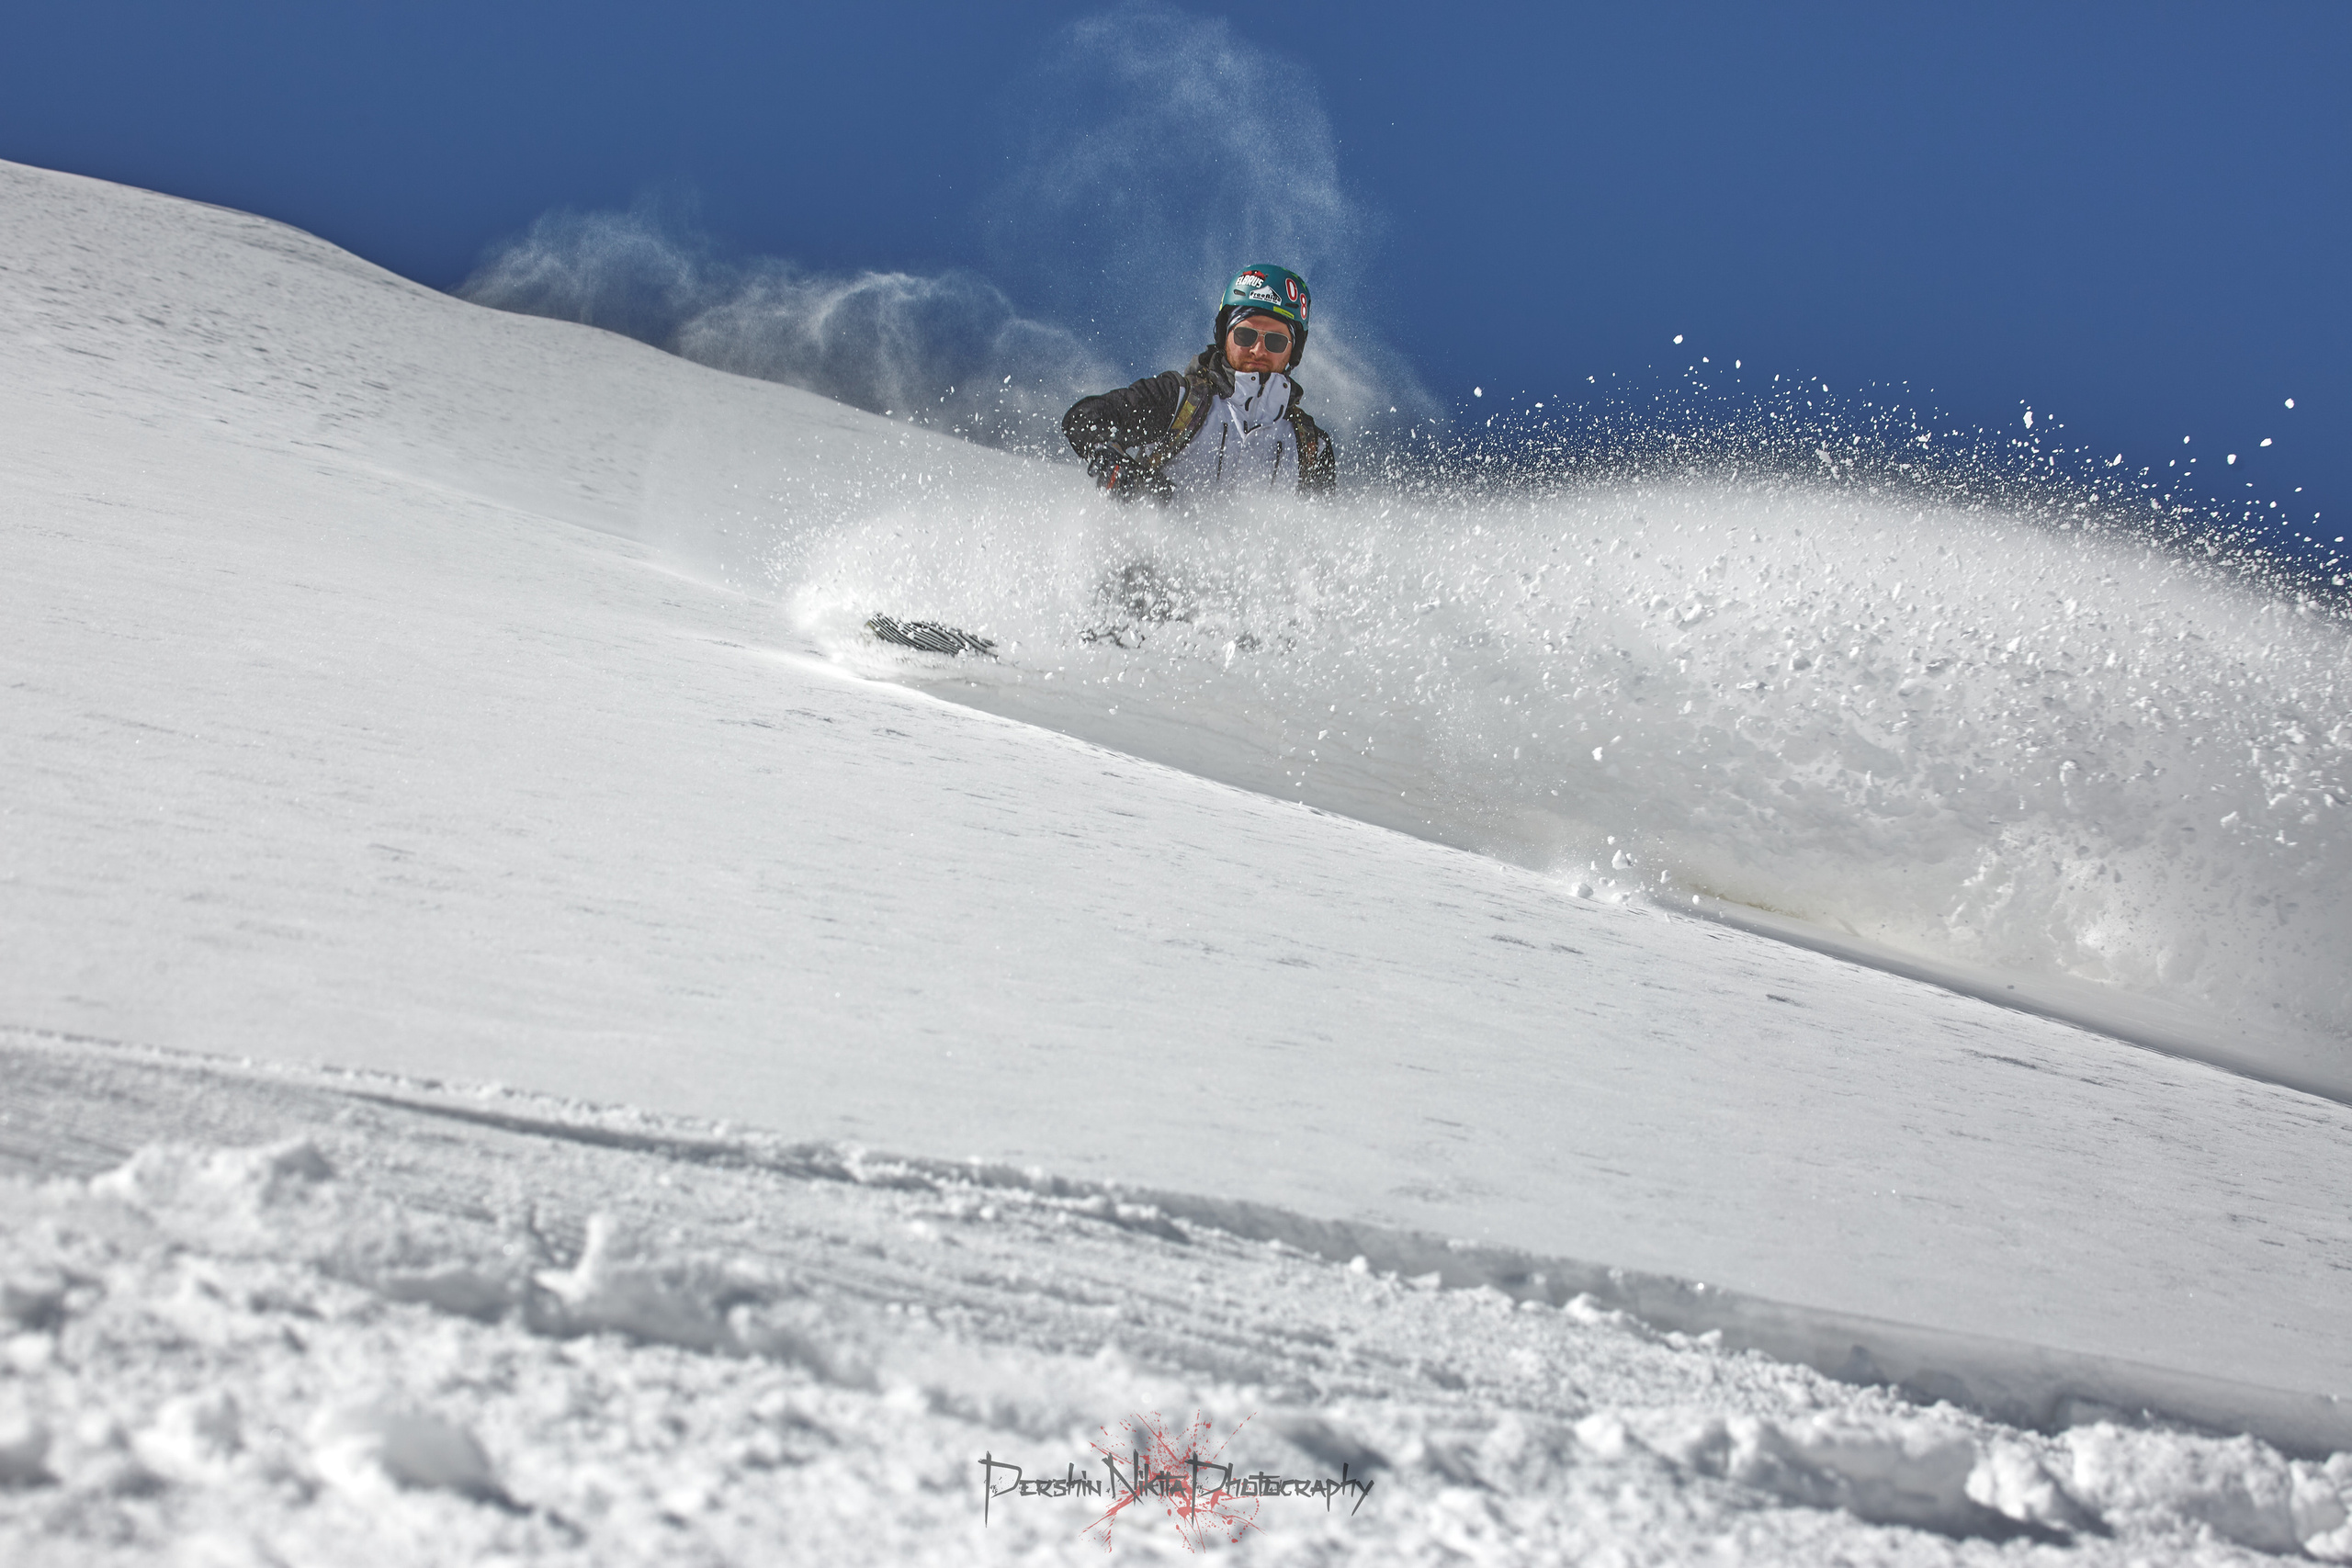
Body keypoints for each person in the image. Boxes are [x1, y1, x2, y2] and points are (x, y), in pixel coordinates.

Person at [1062, 265, 1337, 502]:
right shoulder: (1180, 400)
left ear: (1293, 351)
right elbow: (1086, 415)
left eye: (1275, 341)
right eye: (1245, 335)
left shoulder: (1309, 446)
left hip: (1251, 563)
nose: (1258, 350)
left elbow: (1318, 534)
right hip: (1149, 557)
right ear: (1223, 334)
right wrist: (1112, 461)